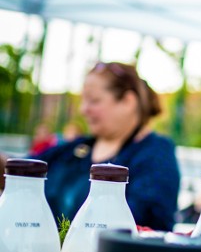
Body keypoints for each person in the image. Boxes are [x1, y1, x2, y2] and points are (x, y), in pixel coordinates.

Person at [32, 62, 180, 231]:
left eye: (94, 101)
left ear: (127, 101)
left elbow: (149, 225)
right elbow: (22, 170)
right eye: (84, 101)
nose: (83, 109)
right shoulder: (75, 149)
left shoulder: (155, 154)